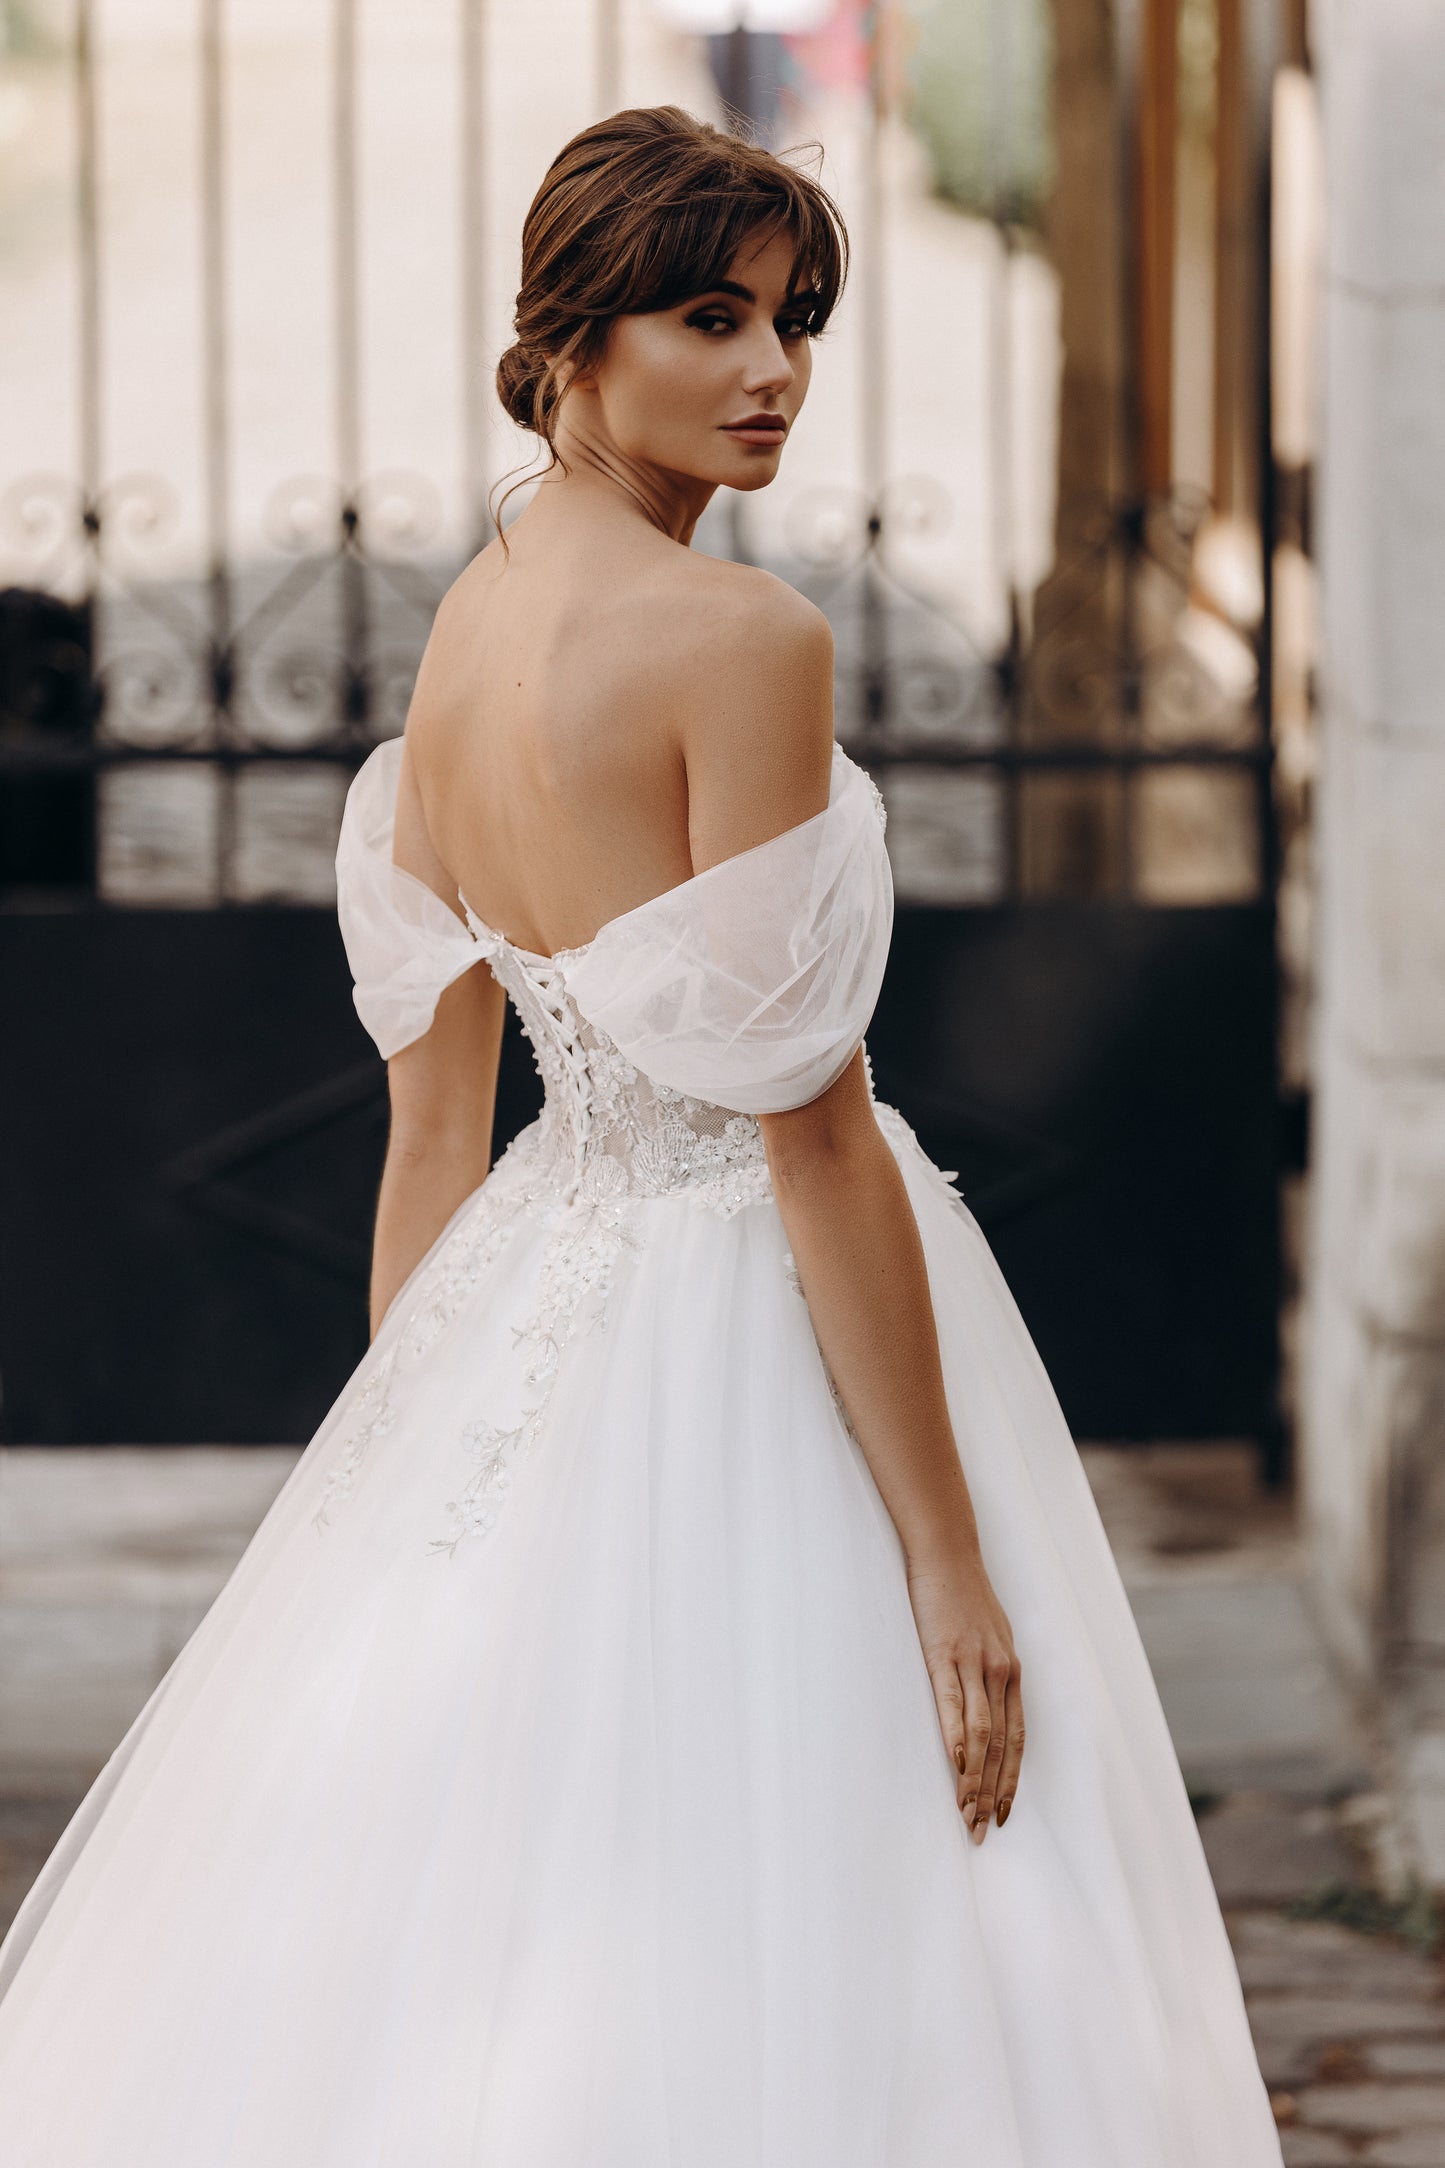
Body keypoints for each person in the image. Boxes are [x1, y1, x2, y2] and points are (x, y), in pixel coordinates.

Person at [0, 105, 1282, 2166]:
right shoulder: (743, 642)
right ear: (569, 343)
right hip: (749, 1300)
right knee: (832, 1881)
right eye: (711, 318)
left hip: (527, 1294)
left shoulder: (467, 631)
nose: (773, 370)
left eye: (794, 319)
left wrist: (405, 1478)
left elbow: (436, 1132)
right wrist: (947, 1558)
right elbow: (811, 1132)